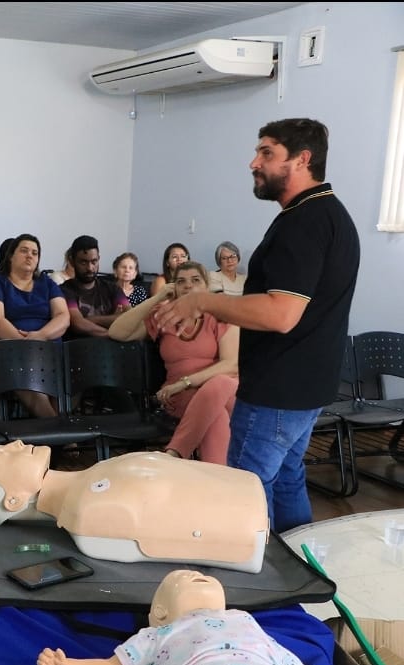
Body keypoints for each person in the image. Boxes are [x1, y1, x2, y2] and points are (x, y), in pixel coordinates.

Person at [154, 118, 360, 533]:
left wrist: (202, 300)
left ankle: (258, 569)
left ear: (301, 159)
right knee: (286, 478)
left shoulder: (304, 222)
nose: (254, 163)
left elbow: (281, 314)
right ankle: (296, 561)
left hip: (277, 388)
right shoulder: (329, 214)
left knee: (245, 488)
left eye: (267, 153)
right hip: (307, 385)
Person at [37, 569, 389, 665]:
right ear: (159, 612)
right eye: (185, 577)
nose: (196, 573)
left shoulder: (245, 621)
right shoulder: (158, 635)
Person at [0, 441, 269, 572]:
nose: (16, 443)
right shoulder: (87, 513)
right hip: (246, 523)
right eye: (6, 455)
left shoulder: (89, 487)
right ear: (13, 499)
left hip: (245, 503)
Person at [108, 261, 239, 465]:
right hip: (180, 397)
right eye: (181, 281)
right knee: (216, 414)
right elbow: (117, 332)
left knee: (221, 383)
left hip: (218, 390)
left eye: (195, 280)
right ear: (173, 287)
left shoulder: (220, 315)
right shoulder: (164, 314)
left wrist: (184, 382)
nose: (188, 286)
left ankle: (175, 453)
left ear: (206, 286)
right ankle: (220, 480)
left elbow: (231, 364)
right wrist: (157, 298)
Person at [0, 233, 70, 418]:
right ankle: (60, 431)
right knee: (35, 388)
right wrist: (26, 344)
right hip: (11, 351)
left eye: (35, 253)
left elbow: (63, 317)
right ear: (11, 256)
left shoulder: (47, 283)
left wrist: (41, 336)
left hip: (49, 350)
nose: (30, 256)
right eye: (24, 251)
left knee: (69, 383)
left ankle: (55, 431)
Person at [59, 234, 130, 339]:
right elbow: (78, 324)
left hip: (113, 347)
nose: (90, 268)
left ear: (98, 259)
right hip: (80, 347)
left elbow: (130, 317)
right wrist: (113, 324)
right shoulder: (65, 290)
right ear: (72, 261)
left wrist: (90, 320)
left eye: (94, 261)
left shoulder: (112, 288)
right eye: (83, 262)